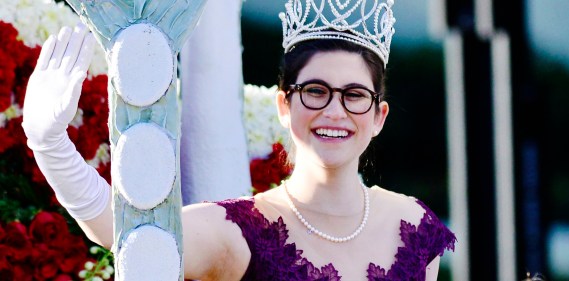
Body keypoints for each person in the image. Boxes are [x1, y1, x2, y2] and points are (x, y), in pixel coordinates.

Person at [22, 1, 456, 280]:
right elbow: (127, 229)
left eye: (355, 95)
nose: (334, 111)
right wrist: (50, 145)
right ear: (284, 106)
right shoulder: (241, 230)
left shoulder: (415, 227)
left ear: (378, 116)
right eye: (316, 91)